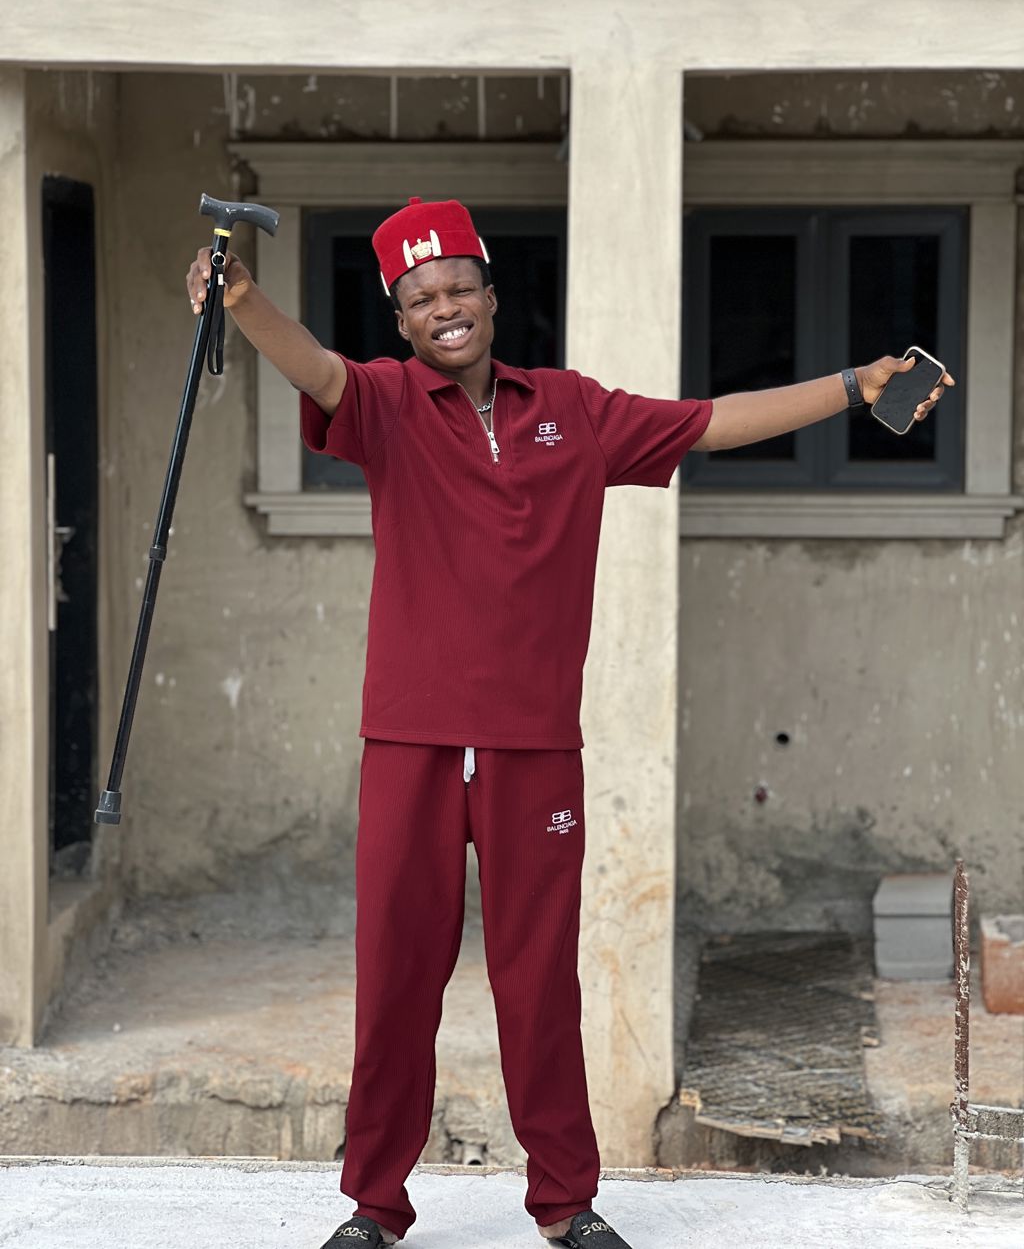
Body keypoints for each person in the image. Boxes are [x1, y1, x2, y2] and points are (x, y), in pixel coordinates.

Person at [186, 197, 952, 1249]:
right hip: (410, 741)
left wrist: (853, 386)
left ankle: (564, 1203)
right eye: (421, 298)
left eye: (460, 288)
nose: (445, 308)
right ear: (401, 320)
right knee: (396, 979)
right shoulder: (386, 404)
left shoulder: (572, 411)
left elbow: (713, 419)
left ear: (492, 298)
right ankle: (374, 1206)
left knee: (539, 981)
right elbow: (314, 367)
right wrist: (241, 300)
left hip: (535, 745)